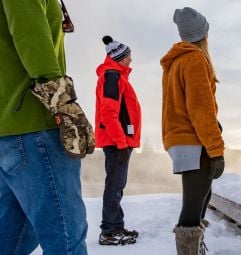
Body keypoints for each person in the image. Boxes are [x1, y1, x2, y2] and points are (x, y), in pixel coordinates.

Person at [0, 0, 92, 254]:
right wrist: (65, 105)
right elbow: (32, 38)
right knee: (66, 237)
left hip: (11, 127)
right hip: (33, 125)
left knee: (14, 237)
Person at [160, 7, 226, 255]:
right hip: (194, 139)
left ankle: (195, 248)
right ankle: (191, 249)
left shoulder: (175, 62)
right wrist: (216, 149)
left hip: (181, 138)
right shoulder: (195, 59)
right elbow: (200, 109)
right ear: (202, 34)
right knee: (193, 206)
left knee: (199, 199)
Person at [94, 35, 143, 246]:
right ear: (121, 57)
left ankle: (116, 226)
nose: (131, 59)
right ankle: (109, 232)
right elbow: (108, 112)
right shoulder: (113, 76)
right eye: (129, 55)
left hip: (120, 140)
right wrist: (121, 141)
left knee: (117, 185)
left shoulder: (117, 76)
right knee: (114, 185)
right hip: (117, 142)